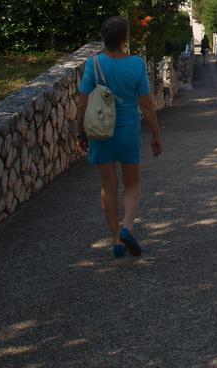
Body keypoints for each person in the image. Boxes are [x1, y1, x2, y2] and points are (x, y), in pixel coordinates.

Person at [77, 16, 163, 258]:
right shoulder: (136, 64)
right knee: (132, 182)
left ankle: (115, 239)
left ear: (103, 40)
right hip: (127, 131)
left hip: (101, 132)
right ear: (125, 40)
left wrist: (79, 131)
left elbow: (83, 103)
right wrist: (156, 134)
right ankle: (127, 227)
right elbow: (146, 104)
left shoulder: (94, 65)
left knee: (108, 185)